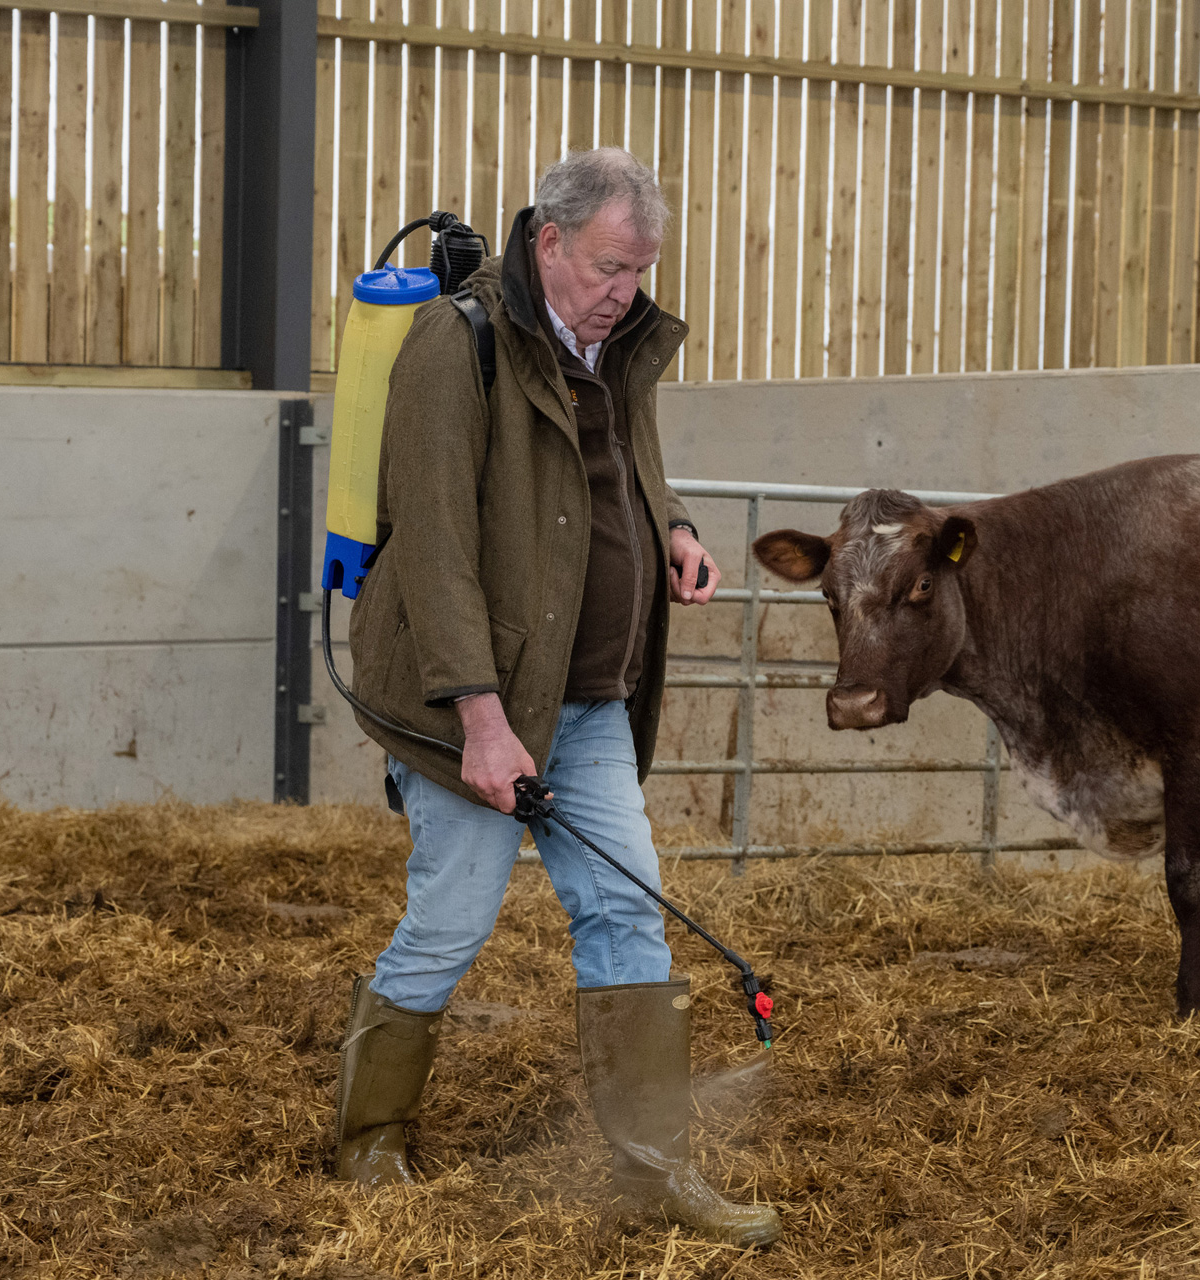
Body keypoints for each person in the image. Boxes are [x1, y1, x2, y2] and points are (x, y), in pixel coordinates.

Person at [333, 148, 780, 1249]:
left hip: (588, 696)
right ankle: (371, 1140)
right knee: (449, 920)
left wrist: (670, 524)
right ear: (549, 241)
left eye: (642, 268)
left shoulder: (614, 341)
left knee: (627, 908)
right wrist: (481, 721)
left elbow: (630, 451)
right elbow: (433, 544)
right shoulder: (459, 343)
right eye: (611, 266)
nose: (628, 289)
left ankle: (652, 1161)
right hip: (471, 703)